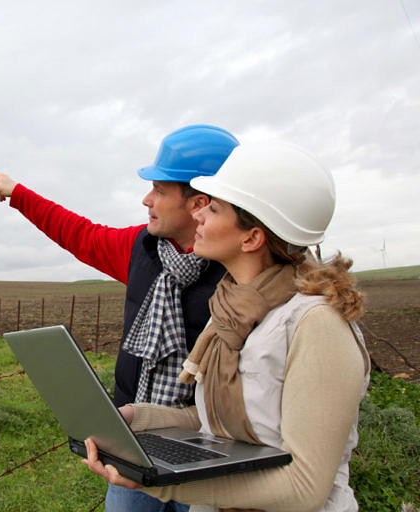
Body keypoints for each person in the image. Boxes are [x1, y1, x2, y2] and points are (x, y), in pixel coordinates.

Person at [82, 142, 371, 512]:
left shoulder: (315, 325)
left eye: (213, 207)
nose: (198, 215)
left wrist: (160, 485)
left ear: (251, 238)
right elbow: (215, 424)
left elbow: (304, 488)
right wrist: (137, 418)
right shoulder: (230, 307)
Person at [0, 125, 239, 512]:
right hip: (134, 444)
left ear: (199, 203)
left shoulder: (243, 272)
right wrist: (19, 195)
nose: (146, 199)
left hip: (212, 457)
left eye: (159, 190)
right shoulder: (142, 249)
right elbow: (81, 235)